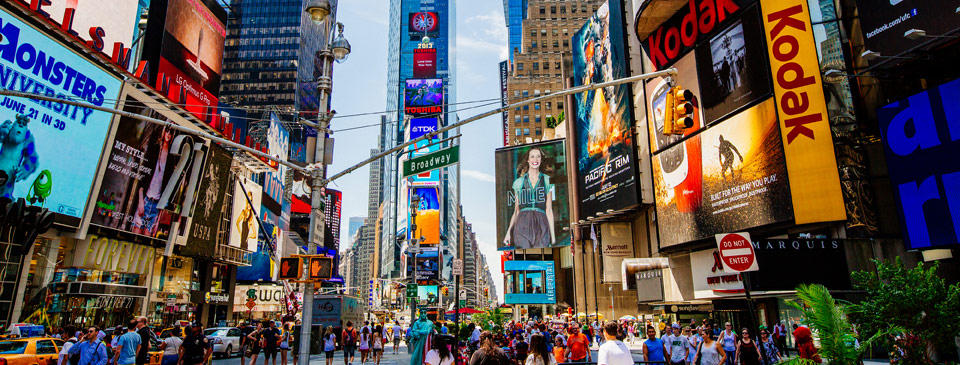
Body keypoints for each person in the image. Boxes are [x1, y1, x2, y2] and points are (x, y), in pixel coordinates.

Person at [502, 147, 556, 249]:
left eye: (538, 156)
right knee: (524, 256)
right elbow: (516, 210)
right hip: (522, 224)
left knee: (541, 257)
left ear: (541, 159)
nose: (535, 159)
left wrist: (553, 236)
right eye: (532, 157)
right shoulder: (518, 182)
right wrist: (508, 232)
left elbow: (549, 209)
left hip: (541, 223)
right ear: (528, 160)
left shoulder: (547, 180)